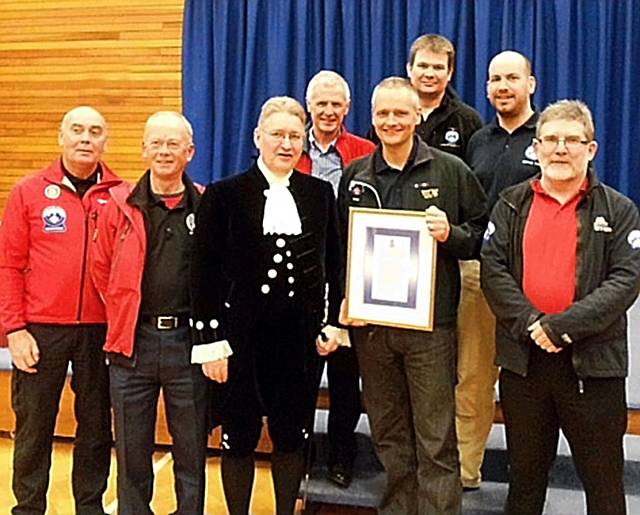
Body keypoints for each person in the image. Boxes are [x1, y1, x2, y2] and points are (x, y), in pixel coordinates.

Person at [481, 99, 640, 515]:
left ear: (592, 149)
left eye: (572, 140)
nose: (560, 149)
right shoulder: (511, 203)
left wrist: (561, 327)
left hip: (592, 369)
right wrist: (533, 324)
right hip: (525, 365)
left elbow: (625, 282)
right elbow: (493, 270)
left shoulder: (620, 210)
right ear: (536, 147)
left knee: (604, 486)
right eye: (550, 139)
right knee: (525, 485)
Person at [338, 77, 488, 514]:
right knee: (389, 433)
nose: (391, 121)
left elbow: (482, 236)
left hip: (431, 329)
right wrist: (347, 299)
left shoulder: (450, 171)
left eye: (400, 113)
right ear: (372, 118)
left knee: (436, 438)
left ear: (418, 115)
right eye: (383, 113)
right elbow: (341, 249)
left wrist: (451, 234)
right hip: (372, 330)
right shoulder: (355, 176)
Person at [190, 96, 344, 514]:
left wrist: (332, 323)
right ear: (258, 137)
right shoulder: (224, 195)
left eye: (295, 136)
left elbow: (335, 262)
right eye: (277, 134)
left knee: (292, 433)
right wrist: (211, 342)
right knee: (238, 433)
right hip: (239, 339)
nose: (286, 143)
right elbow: (202, 273)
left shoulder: (318, 193)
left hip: (299, 340)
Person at [0, 106, 120, 515]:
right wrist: (14, 329)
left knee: (96, 428)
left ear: (106, 141)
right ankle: (29, 507)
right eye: (77, 130)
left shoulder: (122, 197)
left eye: (95, 131)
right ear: (61, 137)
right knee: (33, 426)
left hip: (100, 331)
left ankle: (90, 506)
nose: (86, 138)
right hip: (40, 331)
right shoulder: (29, 192)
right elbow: (8, 265)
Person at [91, 111, 208, 515]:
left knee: (191, 451)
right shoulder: (118, 208)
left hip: (187, 347)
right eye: (156, 142)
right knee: (131, 450)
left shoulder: (207, 205)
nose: (163, 151)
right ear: (143, 149)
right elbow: (99, 270)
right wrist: (123, 315)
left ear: (189, 152)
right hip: (131, 345)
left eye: (173, 143)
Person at [456, 50, 539, 490]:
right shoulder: (478, 141)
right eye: (494, 79)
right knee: (473, 376)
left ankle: (531, 480)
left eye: (512, 78)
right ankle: (466, 472)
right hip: (480, 275)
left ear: (531, 84)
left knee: (532, 385)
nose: (502, 86)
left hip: (537, 283)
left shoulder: (550, 138)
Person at [296, 70, 375, 487]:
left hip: (348, 274)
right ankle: (302, 451)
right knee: (302, 370)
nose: (328, 111)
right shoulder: (290, 147)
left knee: (346, 374)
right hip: (300, 275)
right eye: (320, 104)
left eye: (336, 104)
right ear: (309, 107)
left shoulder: (365, 152)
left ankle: (342, 453)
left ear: (347, 108)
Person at [368, 34, 482, 161]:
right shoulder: (388, 117)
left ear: (450, 73)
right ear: (409, 69)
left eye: (438, 67)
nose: (429, 74)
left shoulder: (468, 120)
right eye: (423, 66)